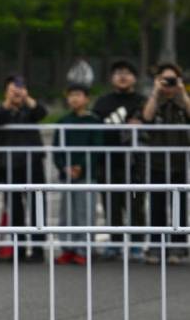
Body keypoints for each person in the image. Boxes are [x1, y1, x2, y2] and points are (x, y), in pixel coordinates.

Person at [93, 60, 146, 259]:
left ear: (135, 78)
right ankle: (114, 243)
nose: (122, 76)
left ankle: (137, 244)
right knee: (111, 205)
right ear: (111, 78)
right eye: (118, 72)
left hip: (134, 163)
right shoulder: (102, 102)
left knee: (135, 206)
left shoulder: (142, 101)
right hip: (107, 162)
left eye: (127, 72)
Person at [0, 74, 48, 262]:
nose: (16, 93)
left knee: (37, 206)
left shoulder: (30, 110)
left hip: (33, 162)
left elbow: (42, 113)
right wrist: (9, 102)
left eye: (19, 89)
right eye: (12, 90)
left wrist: (27, 98)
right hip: (10, 165)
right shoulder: (3, 111)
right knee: (15, 208)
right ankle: (19, 248)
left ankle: (38, 249)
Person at [140, 62, 190, 264]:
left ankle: (178, 247)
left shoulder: (182, 101)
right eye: (165, 79)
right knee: (156, 205)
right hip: (157, 161)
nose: (168, 83)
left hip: (179, 161)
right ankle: (156, 246)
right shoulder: (154, 100)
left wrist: (182, 91)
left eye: (172, 79)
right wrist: (155, 92)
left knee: (179, 206)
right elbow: (146, 117)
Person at [53, 83, 102, 266]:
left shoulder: (94, 121)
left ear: (86, 99)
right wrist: (64, 167)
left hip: (87, 175)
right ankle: (67, 248)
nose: (74, 98)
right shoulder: (63, 121)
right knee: (66, 214)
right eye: (71, 95)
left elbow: (97, 148)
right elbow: (57, 149)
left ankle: (84, 249)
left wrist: (81, 167)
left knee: (85, 212)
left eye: (78, 94)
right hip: (67, 176)